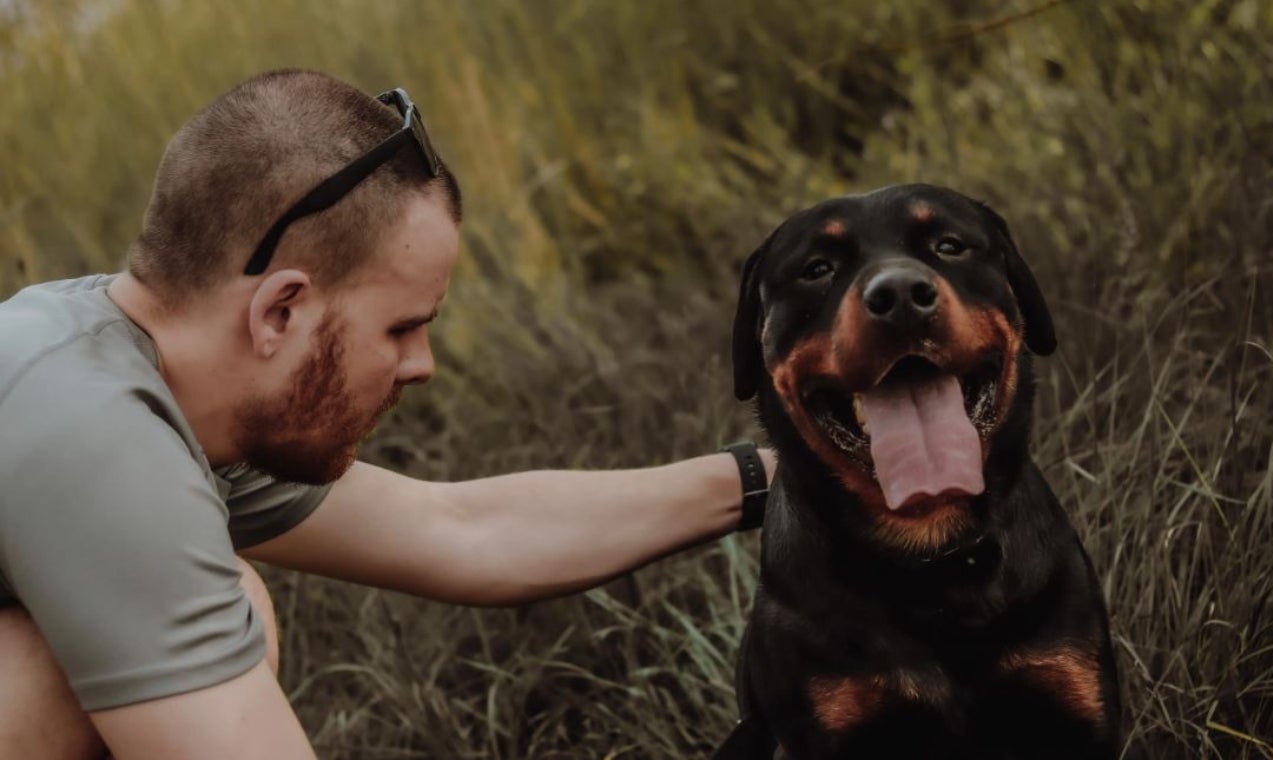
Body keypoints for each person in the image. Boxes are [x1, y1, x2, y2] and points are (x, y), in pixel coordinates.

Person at [0, 69, 772, 760]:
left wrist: (771, 479)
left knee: (213, 610)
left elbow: (461, 530)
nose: (422, 365)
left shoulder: (139, 362)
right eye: (401, 327)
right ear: (281, 312)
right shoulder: (93, 438)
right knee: (95, 659)